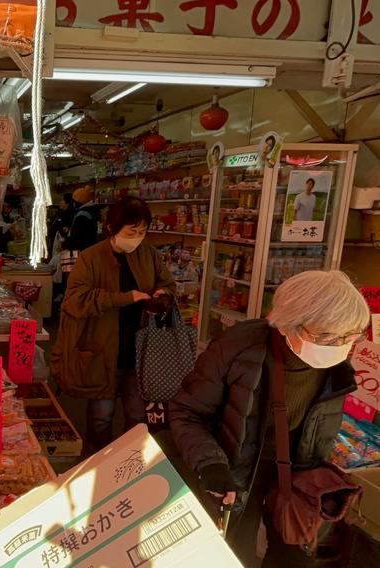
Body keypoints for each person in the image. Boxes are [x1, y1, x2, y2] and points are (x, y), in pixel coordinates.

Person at [170, 270, 368, 566]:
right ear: (289, 321)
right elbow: (187, 410)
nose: (337, 345)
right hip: (237, 471)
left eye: (349, 336)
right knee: (235, 553)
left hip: (300, 478)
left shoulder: (336, 361)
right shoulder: (239, 346)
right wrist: (210, 463)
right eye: (325, 335)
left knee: (293, 557)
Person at [51, 196, 175, 453]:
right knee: (100, 418)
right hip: (102, 350)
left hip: (140, 351)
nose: (138, 237)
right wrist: (123, 298)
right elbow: (74, 301)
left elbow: (168, 283)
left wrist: (164, 294)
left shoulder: (149, 254)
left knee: (137, 417)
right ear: (112, 227)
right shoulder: (90, 258)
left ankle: (129, 468)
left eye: (143, 231)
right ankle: (96, 466)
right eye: (132, 231)